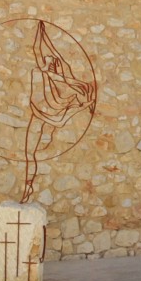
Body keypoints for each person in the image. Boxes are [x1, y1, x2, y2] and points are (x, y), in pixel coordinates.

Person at [21, 21, 96, 203]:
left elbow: (69, 82)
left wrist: (83, 97)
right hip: (39, 115)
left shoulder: (55, 79)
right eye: (46, 62)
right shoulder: (38, 73)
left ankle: (49, 135)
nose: (46, 63)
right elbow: (38, 51)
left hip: (49, 114)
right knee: (29, 152)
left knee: (56, 123)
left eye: (50, 63)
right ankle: (28, 183)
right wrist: (41, 35)